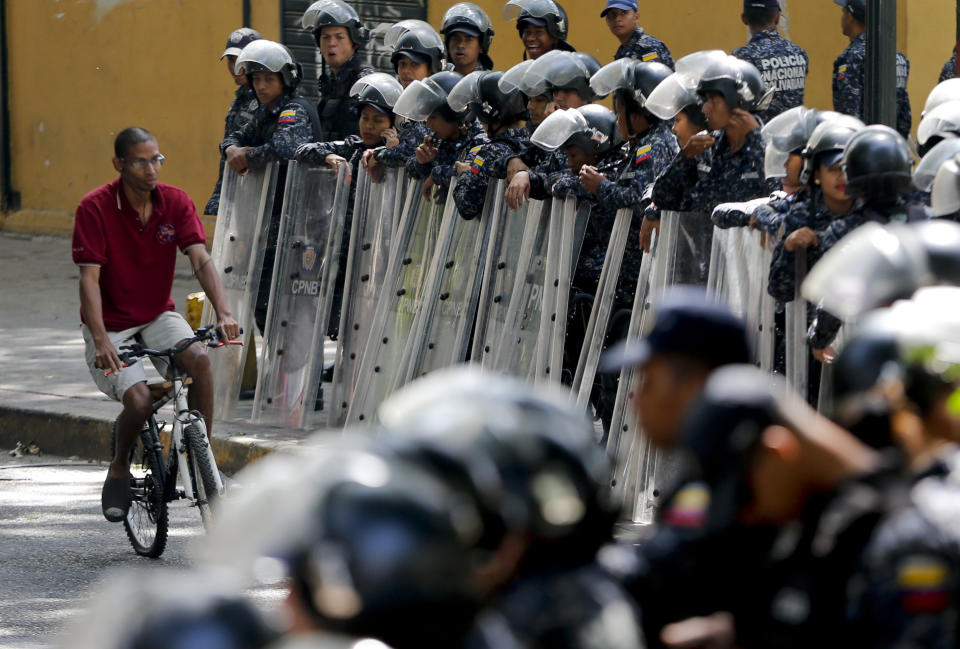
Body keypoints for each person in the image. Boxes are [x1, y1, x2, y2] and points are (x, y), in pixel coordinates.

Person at [664, 363, 960, 649]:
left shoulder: (906, 535)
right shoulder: (819, 522)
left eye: (745, 495)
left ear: (777, 451)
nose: (749, 514)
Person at [73, 127, 239, 522]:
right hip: (112, 324)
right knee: (141, 402)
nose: (152, 169)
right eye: (141, 161)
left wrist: (225, 312)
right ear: (120, 164)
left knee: (198, 359)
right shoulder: (94, 207)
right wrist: (100, 340)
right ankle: (118, 465)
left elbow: (200, 259)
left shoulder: (175, 202)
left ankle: (204, 461)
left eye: (156, 160)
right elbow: (89, 279)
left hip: (157, 314)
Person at [597, 288, 754, 649]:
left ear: (694, 384)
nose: (637, 400)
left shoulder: (755, 474)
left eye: (649, 381)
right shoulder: (710, 470)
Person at [806, 125, 929, 362]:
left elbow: (836, 296)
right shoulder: (928, 220)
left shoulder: (844, 230)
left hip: (872, 346)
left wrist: (818, 339)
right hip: (926, 341)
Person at [653, 55, 778, 218]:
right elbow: (662, 198)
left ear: (738, 101)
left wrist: (756, 140)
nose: (705, 109)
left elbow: (779, 198)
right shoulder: (706, 146)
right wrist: (684, 158)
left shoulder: (771, 148)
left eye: (713, 101)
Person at [360, 21, 441, 176]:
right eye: (402, 64)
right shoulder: (403, 107)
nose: (406, 71)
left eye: (414, 65)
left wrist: (380, 155)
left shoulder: (439, 107)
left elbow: (412, 150)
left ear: (432, 68)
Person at [395, 71, 488, 203]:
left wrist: (437, 174)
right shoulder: (438, 140)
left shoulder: (479, 141)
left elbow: (472, 171)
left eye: (433, 117)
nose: (428, 124)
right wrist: (421, 161)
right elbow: (412, 170)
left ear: (455, 113)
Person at [449, 71, 530, 219]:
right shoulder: (531, 146)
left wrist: (467, 172)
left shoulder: (490, 151)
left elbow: (466, 206)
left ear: (488, 113)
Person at [832, 0, 911, 139]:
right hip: (893, 145)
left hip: (865, 147)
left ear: (850, 17)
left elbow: (849, 114)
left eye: (843, 12)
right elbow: (904, 113)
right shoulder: (899, 58)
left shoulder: (851, 58)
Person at [204, 27, 262, 217]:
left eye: (241, 60)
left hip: (251, 197)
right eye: (231, 60)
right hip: (226, 191)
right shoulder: (240, 99)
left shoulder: (267, 99)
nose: (235, 67)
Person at [302, 0, 374, 142]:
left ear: (354, 42)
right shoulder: (332, 82)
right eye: (326, 37)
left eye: (339, 37)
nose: (331, 43)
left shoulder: (364, 80)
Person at [732, 0, 808, 124]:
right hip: (796, 139)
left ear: (744, 19)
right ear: (777, 17)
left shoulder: (741, 58)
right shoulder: (799, 54)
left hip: (760, 140)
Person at [601, 0, 673, 69]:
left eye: (624, 13)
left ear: (636, 17)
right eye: (612, 14)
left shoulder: (648, 47)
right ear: (607, 21)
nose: (617, 19)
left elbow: (653, 79)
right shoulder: (622, 51)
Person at [502, 0, 575, 59]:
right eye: (527, 32)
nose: (530, 38)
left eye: (538, 32)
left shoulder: (569, 74)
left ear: (555, 36)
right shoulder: (526, 74)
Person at [440, 3, 495, 75]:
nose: (460, 45)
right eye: (455, 38)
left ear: (481, 46)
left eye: (468, 39)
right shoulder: (437, 83)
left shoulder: (491, 84)